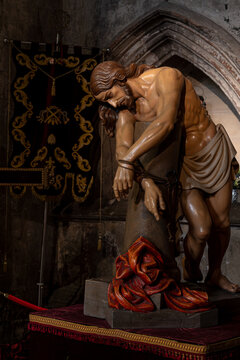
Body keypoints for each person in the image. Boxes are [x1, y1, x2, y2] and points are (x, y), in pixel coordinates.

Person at [90, 61, 240, 293]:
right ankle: (190, 265)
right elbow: (122, 148)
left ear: (119, 79)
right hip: (185, 164)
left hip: (212, 148)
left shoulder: (167, 77)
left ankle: (215, 274)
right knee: (201, 229)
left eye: (111, 95)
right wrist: (144, 180)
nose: (113, 103)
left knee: (221, 223)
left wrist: (127, 161)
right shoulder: (126, 112)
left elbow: (166, 122)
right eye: (105, 101)